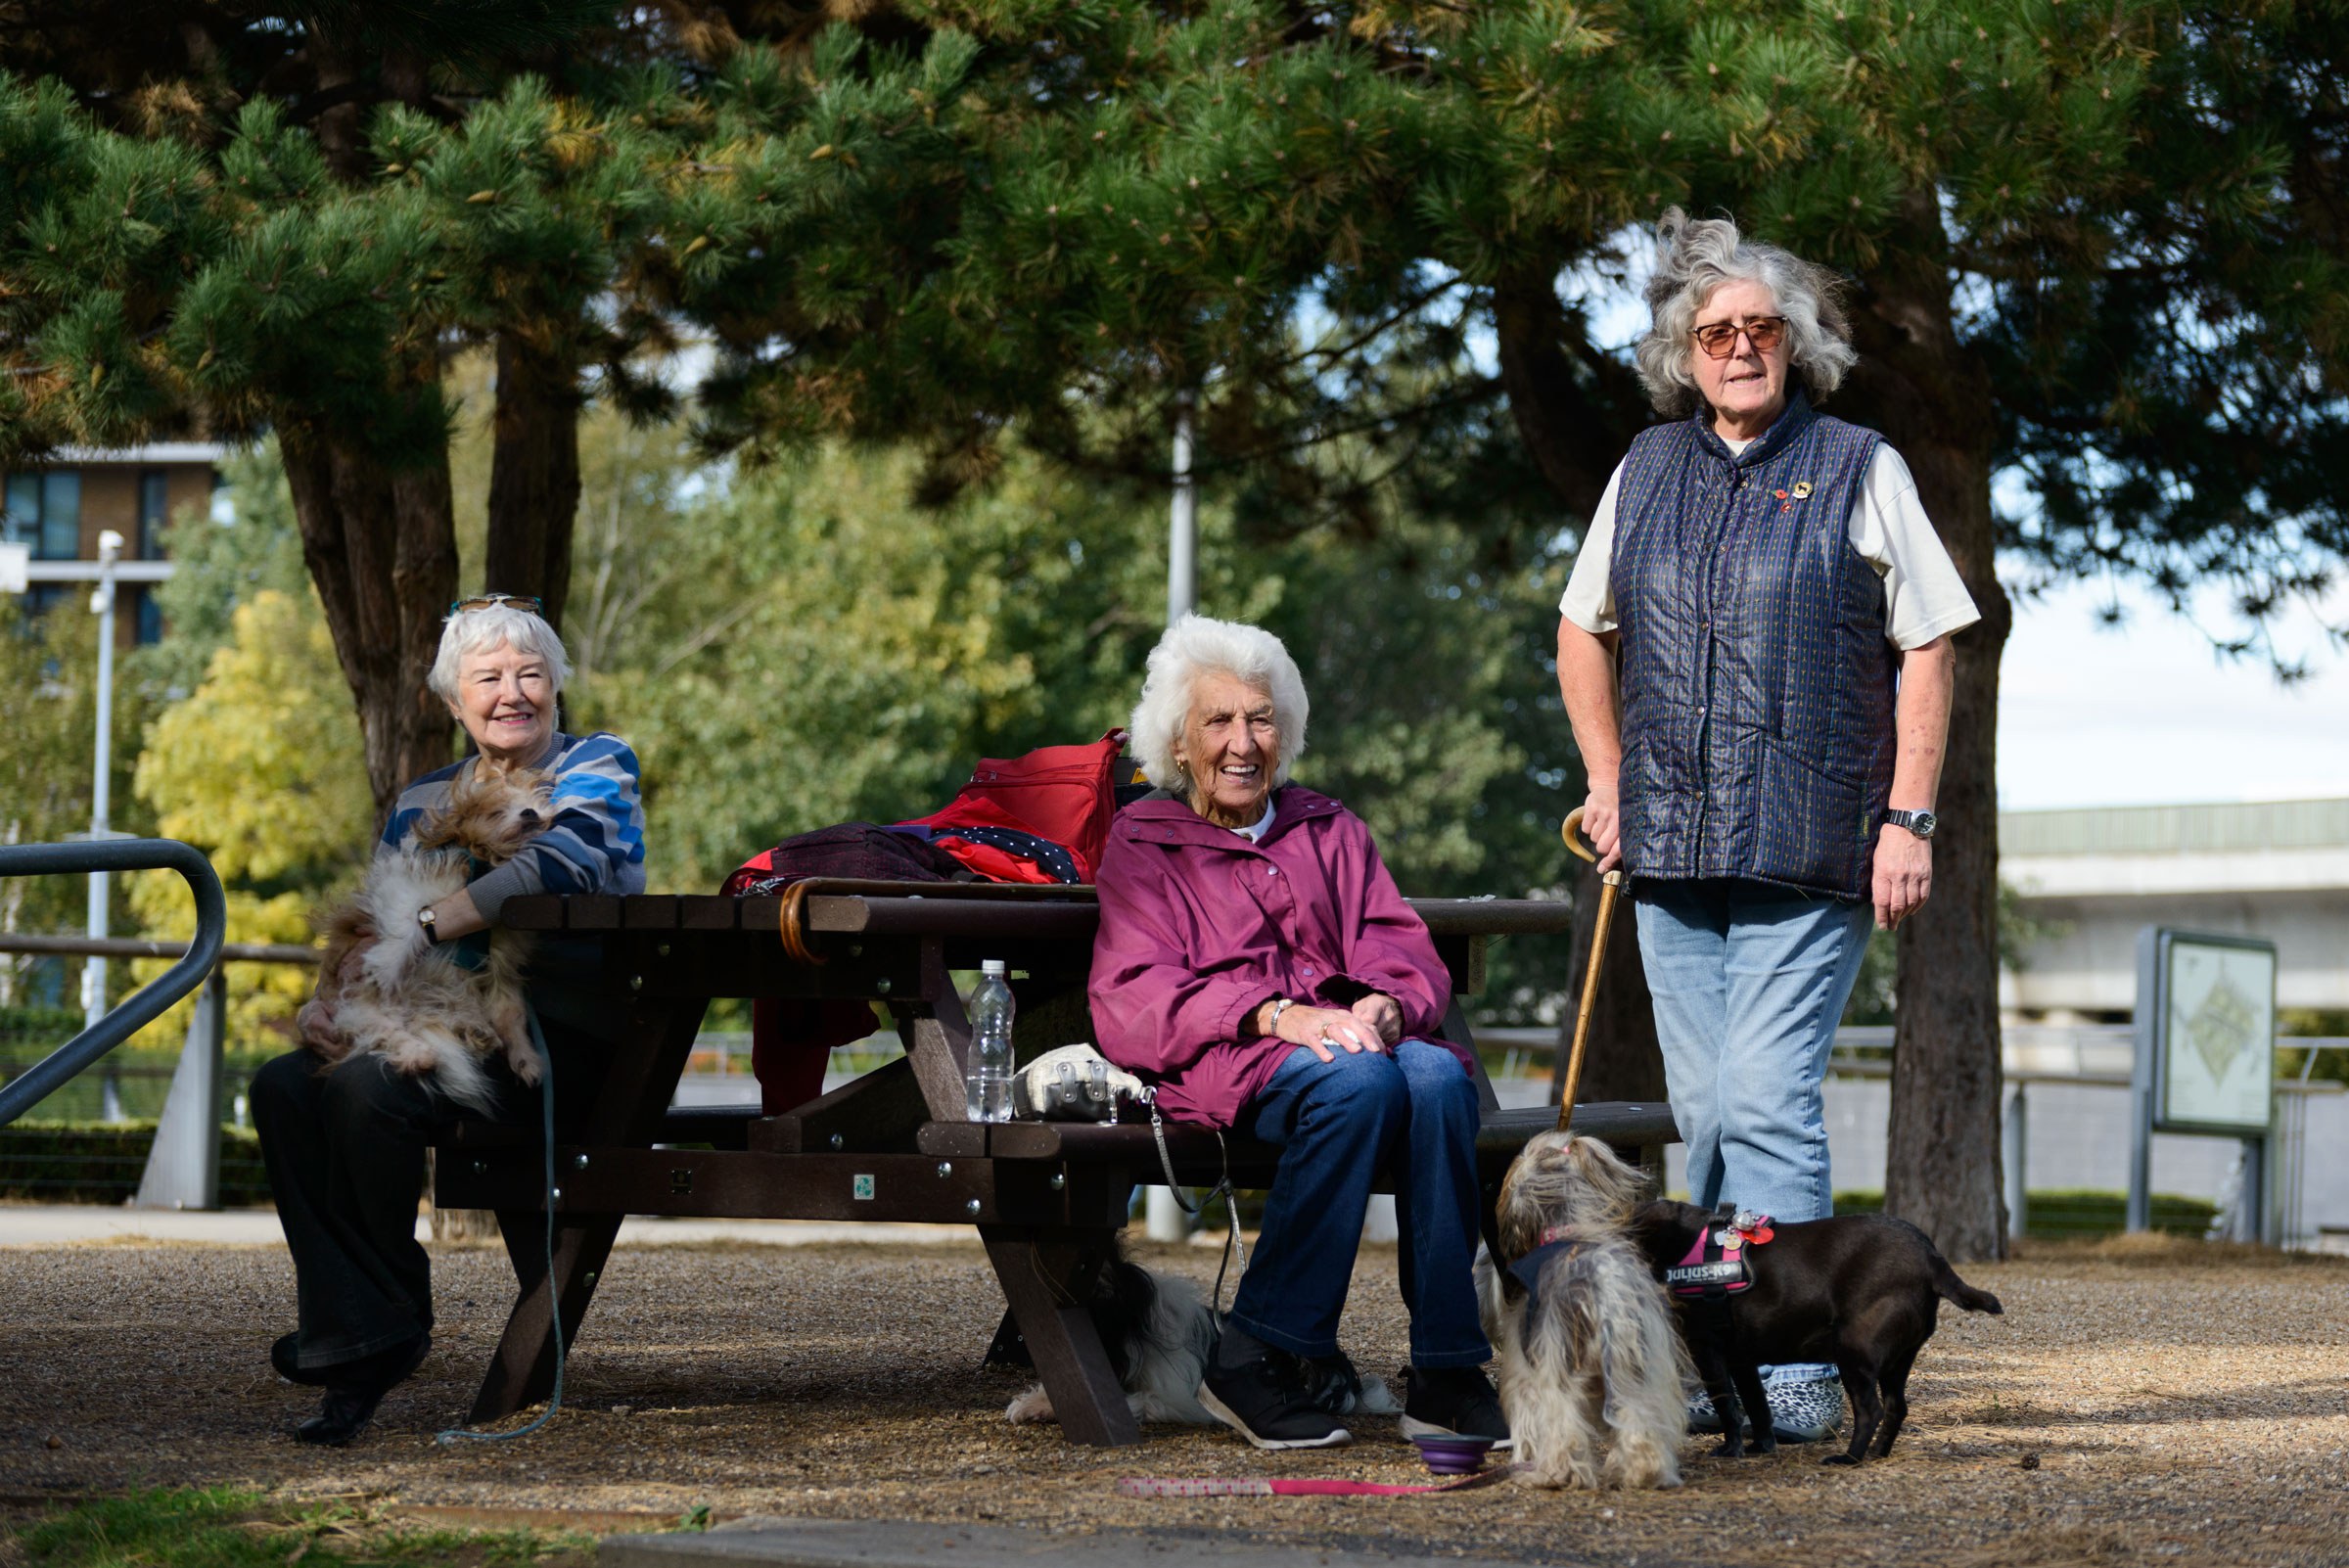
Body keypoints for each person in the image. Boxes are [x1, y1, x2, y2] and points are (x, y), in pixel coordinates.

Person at [1555, 210, 1979, 1442]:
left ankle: (1798, 1373)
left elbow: (1931, 641)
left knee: (1763, 1095)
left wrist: (1909, 818)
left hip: (1815, 839)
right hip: (1674, 849)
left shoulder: (1860, 463)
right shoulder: (1644, 471)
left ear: (1795, 345)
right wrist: (1608, 775)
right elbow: (1584, 627)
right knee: (1711, 1111)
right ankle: (1734, 1356)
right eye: (1716, 331)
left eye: (1761, 329)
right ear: (1685, 356)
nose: (1740, 347)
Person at [1088, 614, 1506, 1452]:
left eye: (1261, 718)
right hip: (1226, 1061)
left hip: (1347, 1048)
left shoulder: (1329, 828)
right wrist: (1275, 1015)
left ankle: (1447, 1371)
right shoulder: (1145, 840)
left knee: (1437, 1078)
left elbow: (1399, 947)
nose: (1242, 743)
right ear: (1178, 744)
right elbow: (1131, 995)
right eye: (1218, 721)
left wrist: (1389, 1001)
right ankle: (1259, 1354)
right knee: (1362, 1081)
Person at [252, 593, 646, 1445]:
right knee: (283, 1087)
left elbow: (556, 865)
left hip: (550, 1042)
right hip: (424, 1021)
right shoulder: (419, 798)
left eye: (531, 673)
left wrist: (430, 926)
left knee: (367, 1092)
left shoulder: (596, 767)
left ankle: (374, 1331)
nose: (513, 692)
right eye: (489, 677)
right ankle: (368, 1325)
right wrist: (330, 1004)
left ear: (557, 686)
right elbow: (367, 922)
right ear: (453, 699)